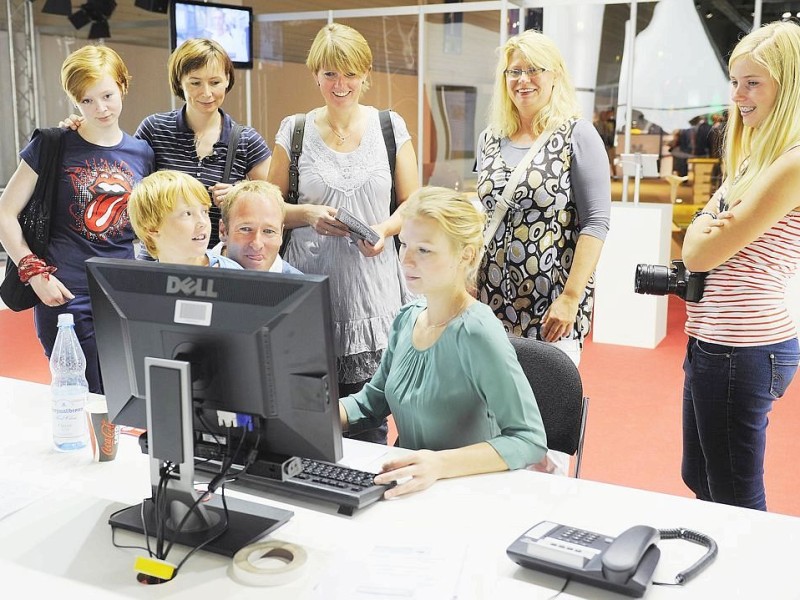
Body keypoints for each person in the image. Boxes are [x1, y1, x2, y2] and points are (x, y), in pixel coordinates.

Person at [339, 187, 548, 498]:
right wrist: (315, 413)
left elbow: (528, 439)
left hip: (468, 494)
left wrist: (439, 464)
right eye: (404, 245)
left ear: (466, 255)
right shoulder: (407, 318)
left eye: (424, 250)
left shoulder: (477, 331)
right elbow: (372, 402)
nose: (406, 259)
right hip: (412, 489)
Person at [268, 23, 419, 445]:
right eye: (330, 73)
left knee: (368, 425)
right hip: (309, 294)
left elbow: (413, 204)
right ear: (315, 74)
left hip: (373, 300)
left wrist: (384, 229)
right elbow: (270, 207)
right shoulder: (293, 130)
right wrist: (308, 214)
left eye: (350, 73)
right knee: (304, 422)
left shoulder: (390, 126)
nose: (340, 84)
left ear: (365, 74)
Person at [476, 29, 610, 475]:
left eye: (534, 69)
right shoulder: (491, 138)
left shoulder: (576, 135)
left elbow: (596, 222)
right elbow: (484, 214)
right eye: (514, 71)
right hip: (492, 307)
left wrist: (571, 298)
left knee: (544, 433)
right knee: (494, 421)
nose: (523, 79)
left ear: (555, 77)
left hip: (553, 307)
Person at [680, 20, 800, 511]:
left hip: (744, 347)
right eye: (735, 81)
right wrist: (704, 225)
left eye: (753, 83)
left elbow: (699, 252)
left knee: (734, 492)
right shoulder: (756, 155)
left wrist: (701, 229)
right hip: (714, 340)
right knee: (700, 475)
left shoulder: (790, 163)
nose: (738, 95)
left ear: (787, 86)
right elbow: (706, 226)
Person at [0, 46, 154, 394]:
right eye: (86, 101)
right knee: (79, 397)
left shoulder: (142, 153)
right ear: (74, 101)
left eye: (107, 95)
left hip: (121, 293)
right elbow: (5, 212)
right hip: (63, 292)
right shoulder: (52, 143)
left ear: (123, 86)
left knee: (124, 396)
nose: (100, 108)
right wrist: (34, 272)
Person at [64, 38, 271, 248]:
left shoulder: (247, 140)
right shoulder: (154, 129)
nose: (206, 93)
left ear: (228, 80)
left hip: (217, 262)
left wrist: (240, 194)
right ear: (179, 82)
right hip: (158, 261)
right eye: (195, 82)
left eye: (215, 82)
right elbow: (123, 175)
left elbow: (274, 205)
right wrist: (84, 127)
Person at [127, 170, 241, 268]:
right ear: (152, 228)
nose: (202, 222)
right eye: (187, 213)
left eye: (205, 211)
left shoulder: (233, 274)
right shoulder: (142, 283)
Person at [214, 180, 301, 274]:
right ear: (223, 231)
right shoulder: (196, 271)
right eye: (245, 229)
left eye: (269, 231)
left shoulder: (305, 287)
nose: (257, 244)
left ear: (281, 234)